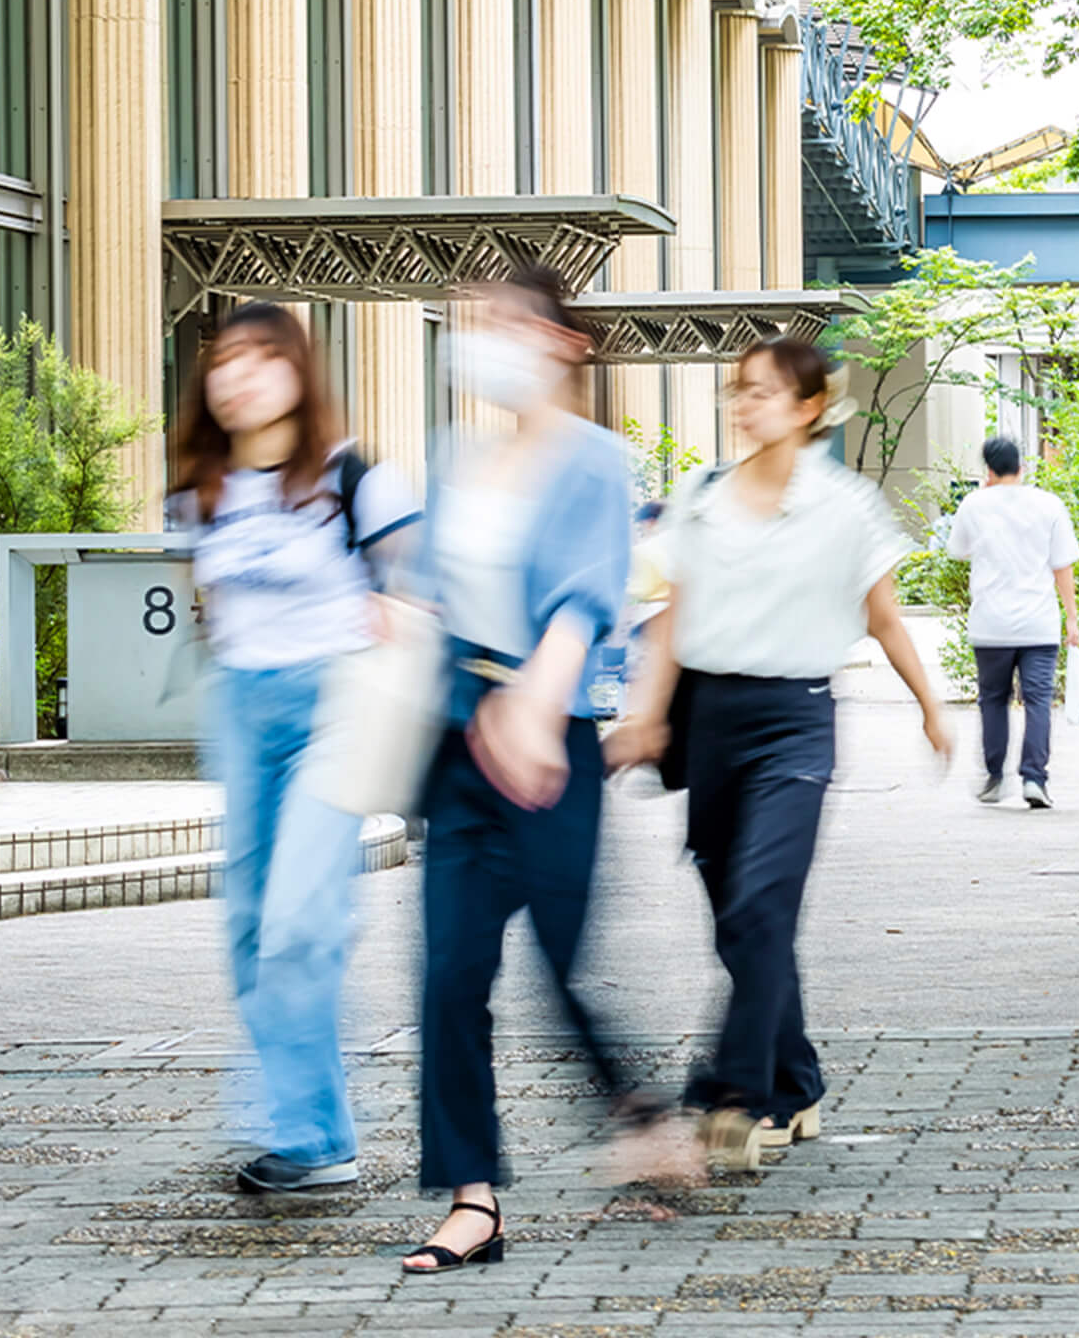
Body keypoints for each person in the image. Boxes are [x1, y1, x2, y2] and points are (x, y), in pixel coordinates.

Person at [407, 268, 695, 1276]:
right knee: (449, 974)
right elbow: (434, 594)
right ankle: (472, 1196)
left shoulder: (594, 464)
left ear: (565, 341)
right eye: (473, 323)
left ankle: (636, 1104)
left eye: (505, 321)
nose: (483, 338)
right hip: (460, 744)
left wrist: (534, 705)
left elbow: (582, 602)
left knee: (561, 962)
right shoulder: (455, 460)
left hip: (551, 739)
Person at [608, 337, 956, 1170]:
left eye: (763, 392)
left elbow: (884, 618)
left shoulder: (847, 505)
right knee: (740, 924)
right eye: (738, 391)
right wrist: (646, 717)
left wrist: (932, 706)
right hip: (710, 723)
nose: (744, 404)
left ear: (809, 408)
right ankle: (796, 1084)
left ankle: (737, 1093)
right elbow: (669, 619)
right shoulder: (699, 497)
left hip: (796, 720)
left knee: (762, 907)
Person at [169, 303, 421, 1195]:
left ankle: (309, 1134)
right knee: (246, 931)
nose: (235, 375)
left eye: (259, 358)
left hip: (334, 706)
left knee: (299, 923)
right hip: (242, 711)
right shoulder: (198, 488)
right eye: (222, 360)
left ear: (298, 372)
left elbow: (421, 584)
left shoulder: (354, 475)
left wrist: (396, 608)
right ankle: (312, 1136)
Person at [947, 435, 1079, 809]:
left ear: (988, 471)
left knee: (993, 699)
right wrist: (1071, 617)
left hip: (991, 625)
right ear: (1022, 467)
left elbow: (957, 551)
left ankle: (994, 775)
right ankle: (1035, 779)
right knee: (1038, 700)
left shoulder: (973, 504)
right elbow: (1062, 565)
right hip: (1039, 623)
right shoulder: (1048, 504)